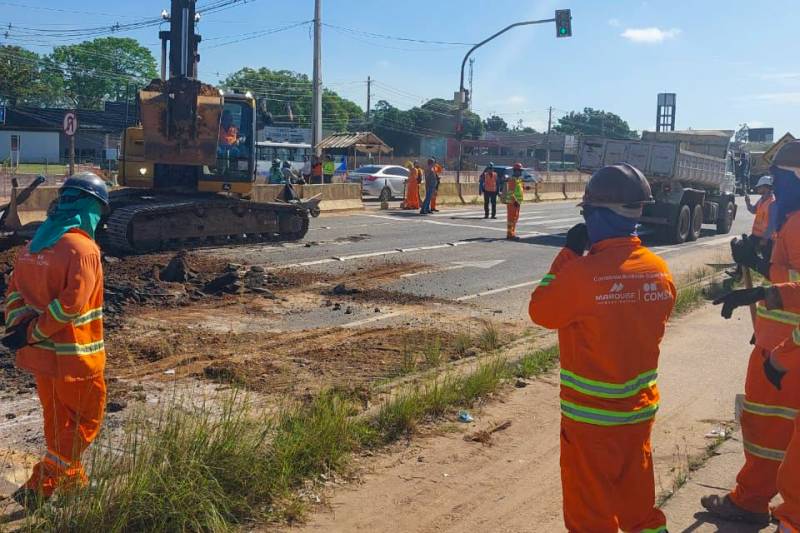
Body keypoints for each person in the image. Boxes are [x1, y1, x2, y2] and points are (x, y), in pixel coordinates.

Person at [528, 163, 676, 533]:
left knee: (590, 514)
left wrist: (567, 254)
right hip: (639, 413)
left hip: (592, 422)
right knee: (638, 507)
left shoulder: (582, 274)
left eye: (588, 214)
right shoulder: (660, 271)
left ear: (597, 216)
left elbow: (541, 310)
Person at [702, 141, 800, 527]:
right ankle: (752, 500)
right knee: (771, 432)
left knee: (772, 431)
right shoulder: (791, 219)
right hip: (777, 345)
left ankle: (776, 510)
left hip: (786, 354)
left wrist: (762, 290)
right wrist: (757, 264)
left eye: (777, 178)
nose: (771, 188)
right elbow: (788, 276)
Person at [3, 172, 109, 510]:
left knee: (57, 419)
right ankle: (42, 482)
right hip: (75, 358)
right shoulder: (82, 250)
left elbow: (14, 292)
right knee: (85, 421)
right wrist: (34, 331)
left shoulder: (33, 246)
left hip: (40, 358)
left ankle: (73, 481)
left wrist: (21, 327)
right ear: (91, 208)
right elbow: (71, 307)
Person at [745, 175, 776, 247]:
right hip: (756, 235)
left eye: (759, 186)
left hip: (767, 240)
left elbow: (772, 224)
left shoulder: (773, 202)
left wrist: (765, 239)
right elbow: (754, 211)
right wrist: (748, 203)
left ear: (766, 187)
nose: (757, 188)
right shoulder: (761, 200)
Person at [505, 163, 524, 240]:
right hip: (512, 203)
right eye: (520, 171)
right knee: (511, 219)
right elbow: (510, 192)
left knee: (515, 219)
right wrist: (515, 201)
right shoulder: (512, 180)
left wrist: (527, 188)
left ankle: (512, 233)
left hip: (517, 203)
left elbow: (520, 188)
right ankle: (509, 234)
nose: (521, 172)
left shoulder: (518, 180)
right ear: (515, 171)